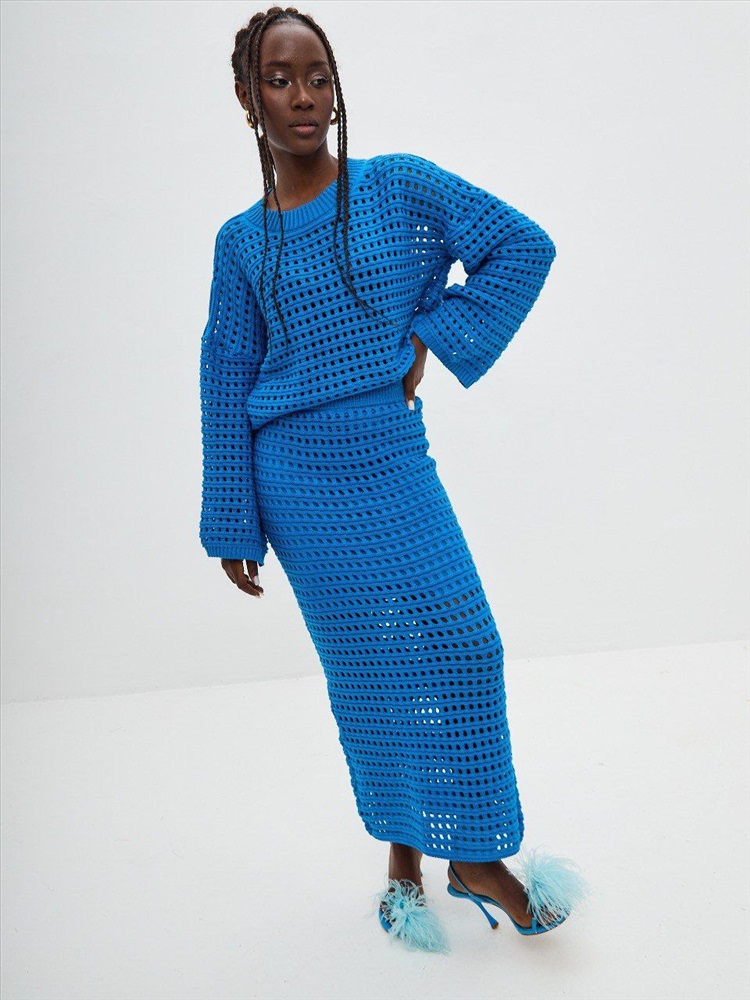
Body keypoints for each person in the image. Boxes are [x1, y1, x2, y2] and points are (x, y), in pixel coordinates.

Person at [199, 6, 589, 954]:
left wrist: (431, 335)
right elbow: (225, 374)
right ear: (249, 100)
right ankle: (404, 866)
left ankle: (475, 858)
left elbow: (522, 246)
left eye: (319, 76)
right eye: (280, 79)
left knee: (463, 641)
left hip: (390, 459)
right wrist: (232, 521)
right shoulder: (242, 242)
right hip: (297, 485)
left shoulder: (397, 185)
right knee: (374, 674)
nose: (304, 96)